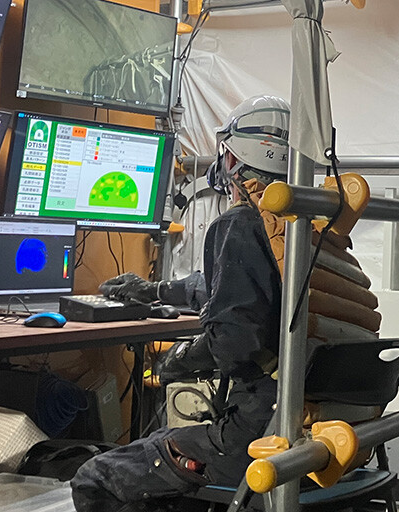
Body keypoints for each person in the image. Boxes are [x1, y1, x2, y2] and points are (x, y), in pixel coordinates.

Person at [71, 96, 290, 512]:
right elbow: (233, 290)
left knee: (95, 476)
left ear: (233, 160)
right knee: (158, 448)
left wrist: (181, 358)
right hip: (303, 430)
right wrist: (154, 290)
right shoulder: (306, 227)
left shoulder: (240, 223)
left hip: (253, 438)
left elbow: (235, 342)